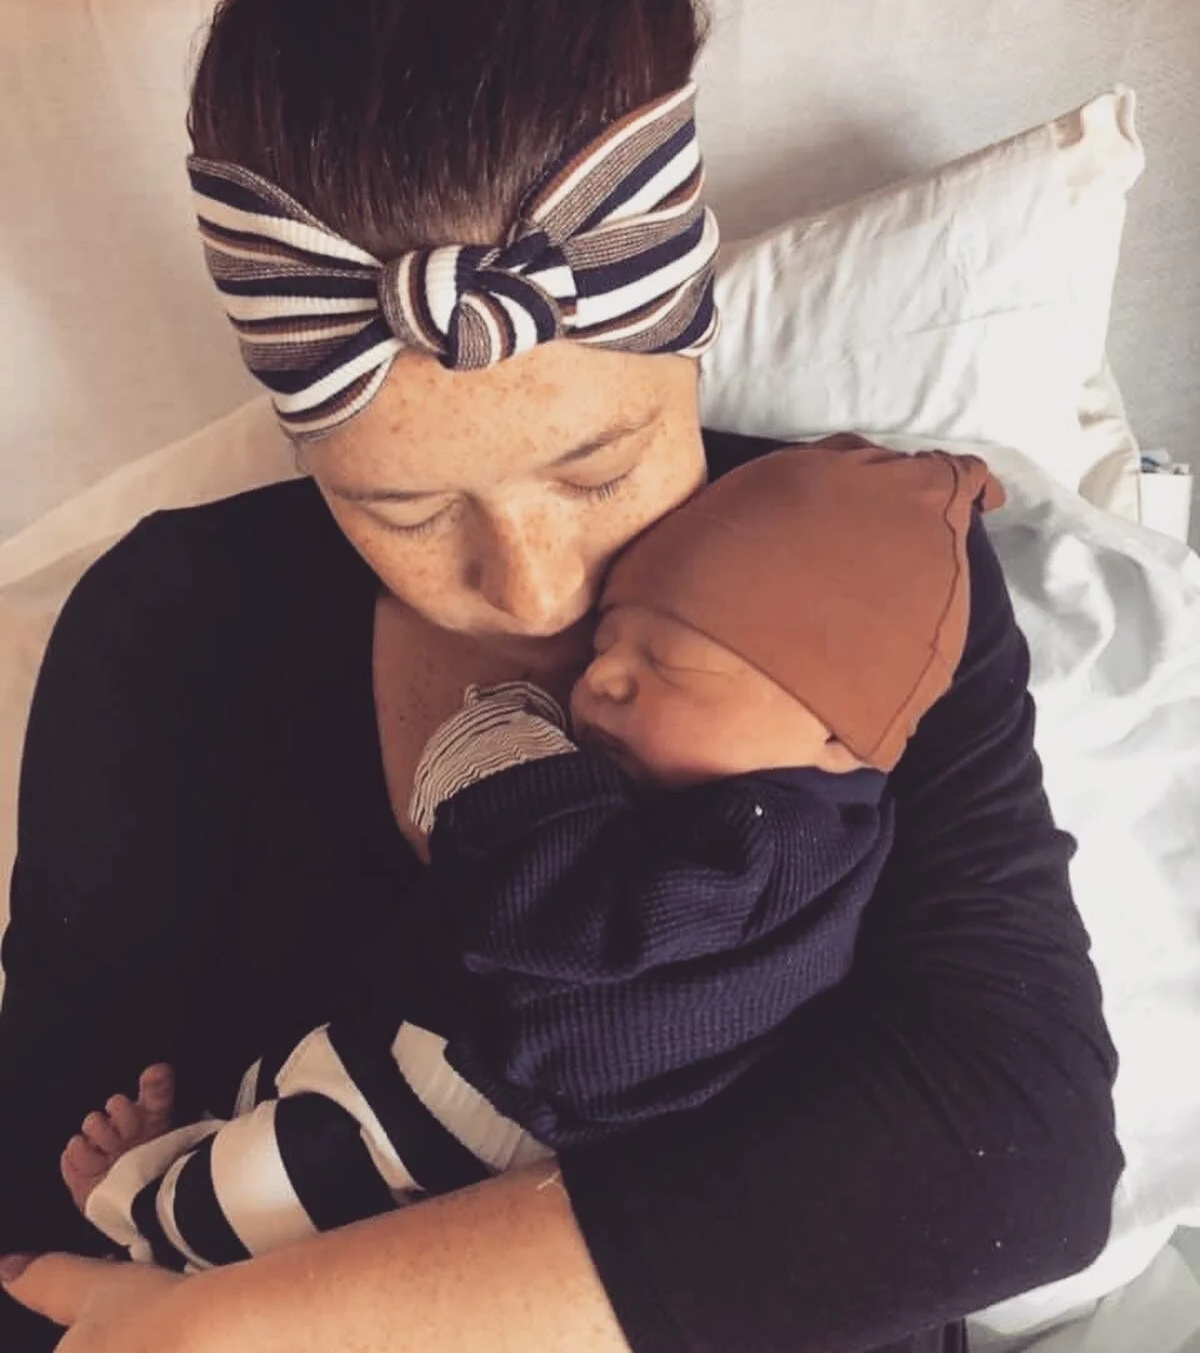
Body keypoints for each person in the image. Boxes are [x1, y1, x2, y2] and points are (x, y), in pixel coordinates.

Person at [0, 0, 1120, 1351]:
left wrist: (264, 1326)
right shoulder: (168, 632)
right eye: (403, 509)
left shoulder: (866, 572)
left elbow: (1016, 1155)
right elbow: (43, 1204)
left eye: (602, 465)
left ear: (691, 338)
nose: (538, 589)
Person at [64, 438, 1003, 1271]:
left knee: (277, 1185)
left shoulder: (775, 844)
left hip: (510, 1110)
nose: (602, 679)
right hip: (466, 1068)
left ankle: (140, 1216)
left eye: (665, 665)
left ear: (835, 737)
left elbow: (578, 916)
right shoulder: (760, 803)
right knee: (291, 1113)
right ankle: (178, 1165)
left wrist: (506, 765)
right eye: (610, 643)